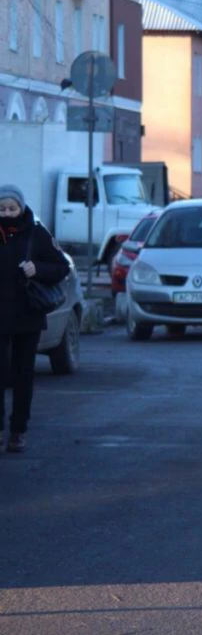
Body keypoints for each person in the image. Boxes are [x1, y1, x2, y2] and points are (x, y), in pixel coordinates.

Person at [0, 185, 70, 453]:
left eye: (12, 208)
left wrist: (37, 269)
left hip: (26, 316)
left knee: (23, 375)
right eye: (2, 209)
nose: (7, 214)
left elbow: (61, 267)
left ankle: (18, 431)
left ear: (21, 207)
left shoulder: (36, 233)